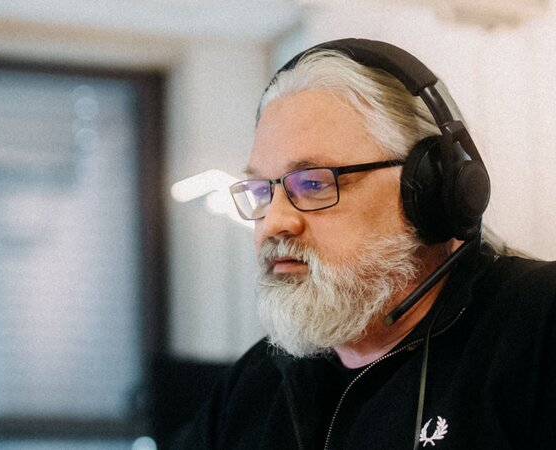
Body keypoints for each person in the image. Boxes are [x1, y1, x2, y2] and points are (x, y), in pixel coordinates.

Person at [163, 38, 556, 449]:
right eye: (263, 190)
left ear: (428, 189)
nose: (273, 223)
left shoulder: (538, 324)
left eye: (313, 182)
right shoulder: (257, 382)